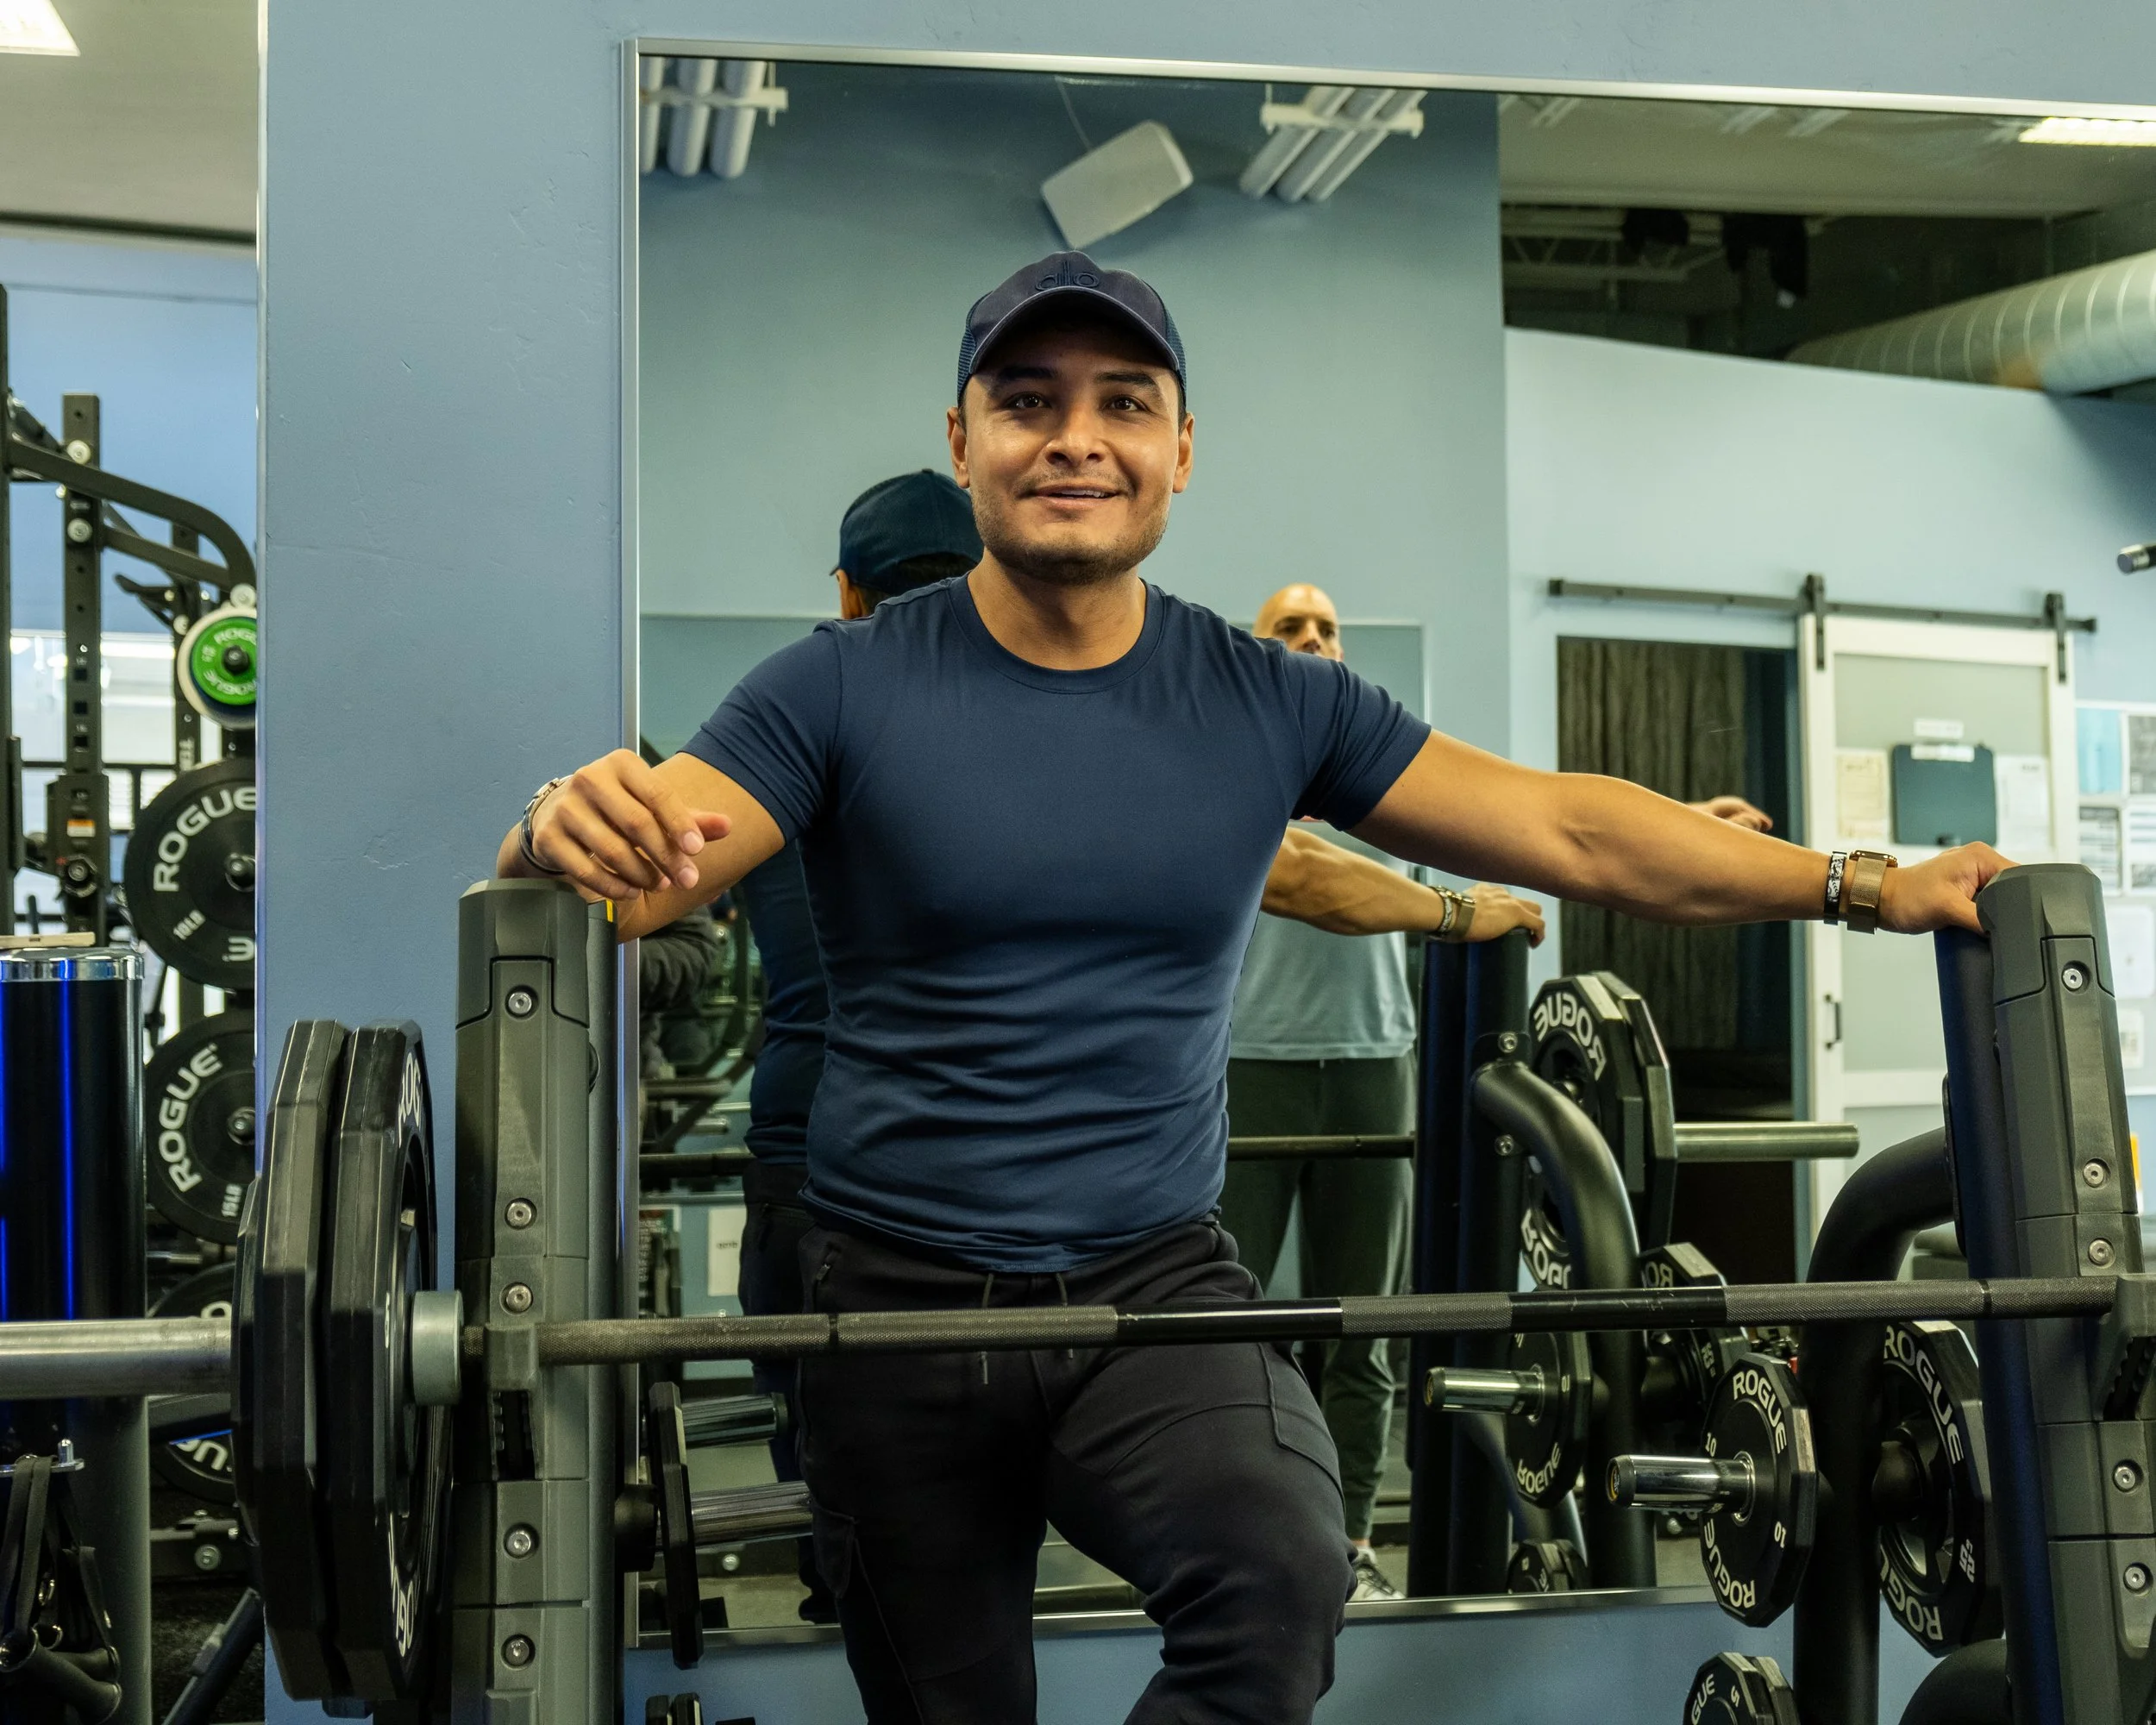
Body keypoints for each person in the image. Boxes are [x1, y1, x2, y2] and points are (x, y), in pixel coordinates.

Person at [501, 249, 2002, 1725]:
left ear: (1181, 450)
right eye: (1028, 401)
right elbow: (647, 863)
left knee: (1281, 1576)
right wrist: (558, 836)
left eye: (1123, 402)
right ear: (964, 442)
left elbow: (1562, 825)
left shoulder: (1267, 698)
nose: (1076, 437)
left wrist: (1867, 884)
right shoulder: (834, 688)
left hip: (1147, 1281)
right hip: (888, 1299)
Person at [730, 475, 1540, 1626]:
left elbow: (639, 887)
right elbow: (1311, 874)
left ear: (849, 591)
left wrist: (565, 814)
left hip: (842, 1180)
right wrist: (1459, 914)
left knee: (879, 1540)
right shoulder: (964, 733)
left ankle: (850, 1606)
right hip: (942, 1199)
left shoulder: (790, 721)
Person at [1225, 581, 1773, 1603]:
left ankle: (1341, 1544)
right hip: (1246, 1072)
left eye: (1325, 627)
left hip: (1373, 1069)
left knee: (1368, 1332)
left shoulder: (1370, 780)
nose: (1310, 638)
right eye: (1286, 628)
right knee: (1230, 1334)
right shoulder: (1230, 764)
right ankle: (1235, 1544)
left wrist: (1687, 823)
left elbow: (1530, 829)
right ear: (1257, 652)